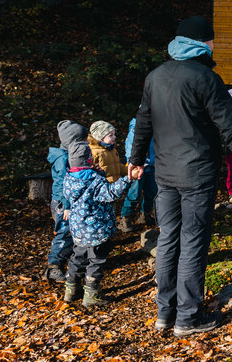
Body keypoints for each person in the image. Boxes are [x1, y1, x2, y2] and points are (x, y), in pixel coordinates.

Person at [128, 16, 232, 337]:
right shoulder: (207, 79)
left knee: (168, 240)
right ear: (202, 43)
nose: (214, 46)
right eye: (211, 41)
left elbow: (143, 121)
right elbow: (231, 129)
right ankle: (188, 318)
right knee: (193, 243)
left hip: (166, 174)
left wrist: (136, 159)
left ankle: (164, 314)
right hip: (198, 176)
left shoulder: (155, 77)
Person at [63, 140, 131, 308]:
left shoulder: (68, 178)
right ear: (89, 160)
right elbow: (111, 193)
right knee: (96, 261)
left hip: (79, 230)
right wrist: (127, 179)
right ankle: (91, 294)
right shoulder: (94, 181)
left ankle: (70, 289)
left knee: (78, 257)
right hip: (97, 230)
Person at [44, 120, 88, 284]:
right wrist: (67, 206)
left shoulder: (68, 156)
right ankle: (54, 267)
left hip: (68, 202)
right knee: (65, 234)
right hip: (64, 204)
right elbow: (64, 185)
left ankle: (67, 263)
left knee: (72, 233)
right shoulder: (63, 159)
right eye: (84, 140)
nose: (87, 142)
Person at [119, 118, 157, 231]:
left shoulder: (157, 123)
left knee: (152, 191)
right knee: (134, 193)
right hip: (138, 165)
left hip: (152, 165)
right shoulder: (138, 125)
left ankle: (145, 214)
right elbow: (132, 145)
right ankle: (126, 219)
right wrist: (134, 161)